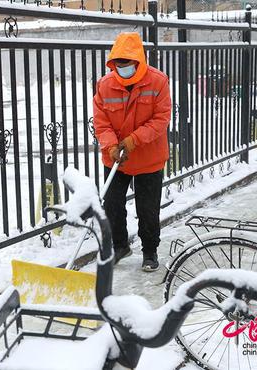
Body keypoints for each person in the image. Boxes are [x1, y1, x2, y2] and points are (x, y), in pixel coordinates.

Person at [93, 32, 171, 272]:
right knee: (112, 204)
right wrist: (112, 146)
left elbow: (161, 119)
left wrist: (133, 140)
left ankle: (150, 251)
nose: (122, 68)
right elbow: (101, 121)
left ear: (138, 61)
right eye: (118, 64)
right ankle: (119, 245)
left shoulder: (158, 82)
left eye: (126, 64)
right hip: (116, 157)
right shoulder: (105, 85)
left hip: (148, 157)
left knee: (147, 208)